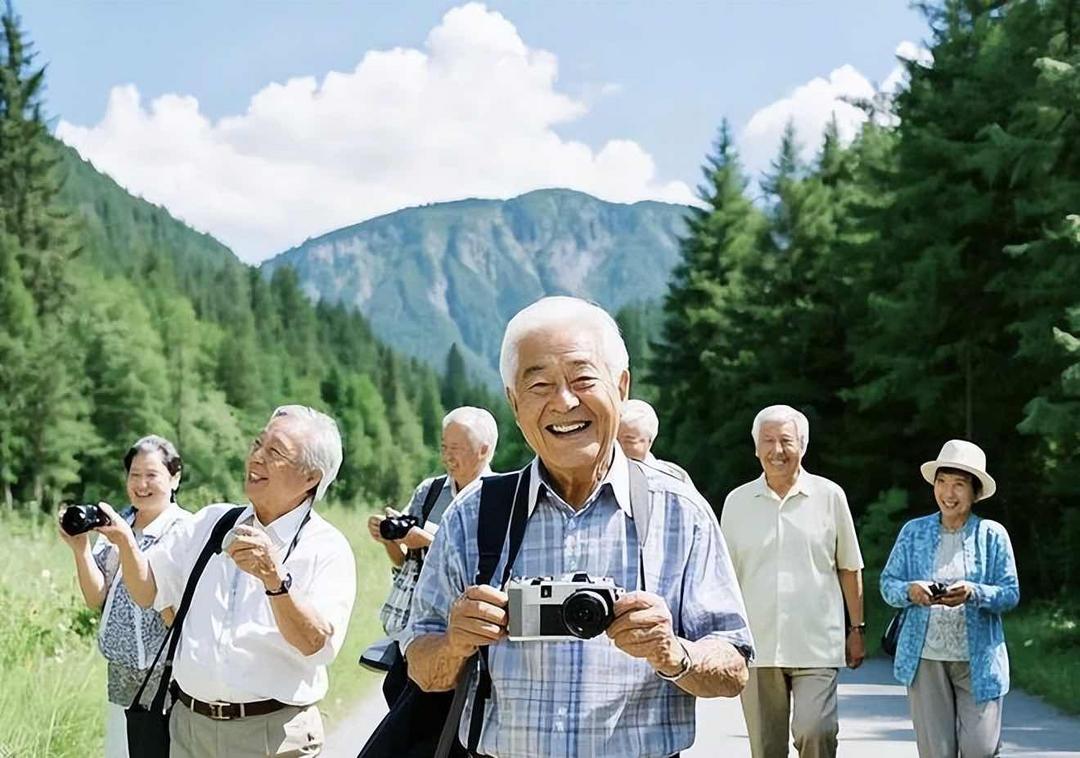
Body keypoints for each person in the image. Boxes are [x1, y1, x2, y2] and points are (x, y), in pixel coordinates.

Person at [403, 296, 754, 758]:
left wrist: (673, 653)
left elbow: (734, 668)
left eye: (583, 378)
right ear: (513, 402)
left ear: (622, 386)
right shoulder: (475, 516)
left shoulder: (679, 512)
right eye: (539, 384)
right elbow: (421, 667)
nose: (563, 401)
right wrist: (456, 643)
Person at [99, 405, 356, 758]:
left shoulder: (326, 548)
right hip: (190, 729)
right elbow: (148, 591)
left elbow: (316, 644)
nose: (257, 458)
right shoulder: (211, 523)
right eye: (257, 444)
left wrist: (275, 578)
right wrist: (125, 541)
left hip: (274, 737)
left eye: (275, 452)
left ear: (311, 476)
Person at [720, 405, 865, 758]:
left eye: (786, 440)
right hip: (756, 645)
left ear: (803, 445)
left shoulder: (830, 496)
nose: (777, 450)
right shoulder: (736, 502)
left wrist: (857, 628)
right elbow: (723, 577)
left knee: (816, 729)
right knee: (766, 748)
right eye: (767, 441)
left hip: (817, 642)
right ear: (756, 448)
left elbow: (849, 566)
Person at [880, 439, 1019, 757]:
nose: (948, 493)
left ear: (975, 492)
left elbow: (1010, 593)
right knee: (935, 752)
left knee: (980, 749)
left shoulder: (992, 534)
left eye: (959, 485)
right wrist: (910, 591)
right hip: (925, 658)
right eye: (942, 482)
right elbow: (888, 584)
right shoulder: (913, 532)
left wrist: (974, 592)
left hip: (979, 661)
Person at [58, 435, 192, 758]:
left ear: (174, 478)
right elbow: (96, 598)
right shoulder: (121, 522)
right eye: (134, 475)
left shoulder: (185, 530)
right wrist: (81, 550)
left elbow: (181, 609)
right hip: (120, 676)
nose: (141, 484)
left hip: (167, 681)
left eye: (151, 475)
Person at [368, 405, 498, 705]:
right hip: (413, 633)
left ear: (483, 450)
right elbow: (404, 563)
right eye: (444, 447)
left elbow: (485, 566)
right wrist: (389, 538)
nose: (447, 456)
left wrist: (426, 539)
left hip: (461, 640)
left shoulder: (496, 499)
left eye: (457, 448)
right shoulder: (430, 491)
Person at [617, 398, 692, 483]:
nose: (617, 447)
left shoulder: (672, 479)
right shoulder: (602, 473)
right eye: (614, 440)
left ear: (649, 442)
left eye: (629, 441)